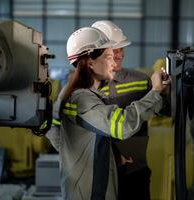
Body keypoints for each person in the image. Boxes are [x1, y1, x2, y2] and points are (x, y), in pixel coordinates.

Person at [57, 26, 168, 199]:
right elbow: (122, 125)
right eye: (108, 56)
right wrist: (155, 92)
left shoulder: (85, 93)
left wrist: (109, 155)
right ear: (90, 63)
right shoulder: (81, 99)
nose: (115, 61)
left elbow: (89, 137)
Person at [91, 20, 153, 200]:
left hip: (134, 170)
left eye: (121, 49)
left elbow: (165, 109)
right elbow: (57, 125)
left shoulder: (141, 81)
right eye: (112, 51)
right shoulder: (81, 90)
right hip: (97, 171)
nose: (119, 55)